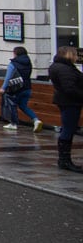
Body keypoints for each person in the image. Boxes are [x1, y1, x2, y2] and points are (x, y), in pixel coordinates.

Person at [48, 45, 83, 173]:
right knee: (68, 129)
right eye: (75, 55)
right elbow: (70, 88)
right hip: (70, 102)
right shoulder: (65, 69)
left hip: (66, 101)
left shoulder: (58, 66)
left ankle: (64, 160)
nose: (76, 57)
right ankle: (64, 160)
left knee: (68, 128)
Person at [0, 45, 42, 132]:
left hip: (16, 88)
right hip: (27, 88)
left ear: (15, 54)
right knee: (23, 106)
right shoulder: (28, 63)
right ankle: (36, 120)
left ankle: (13, 124)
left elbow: (8, 77)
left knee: (12, 105)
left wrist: (3, 88)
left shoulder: (13, 64)